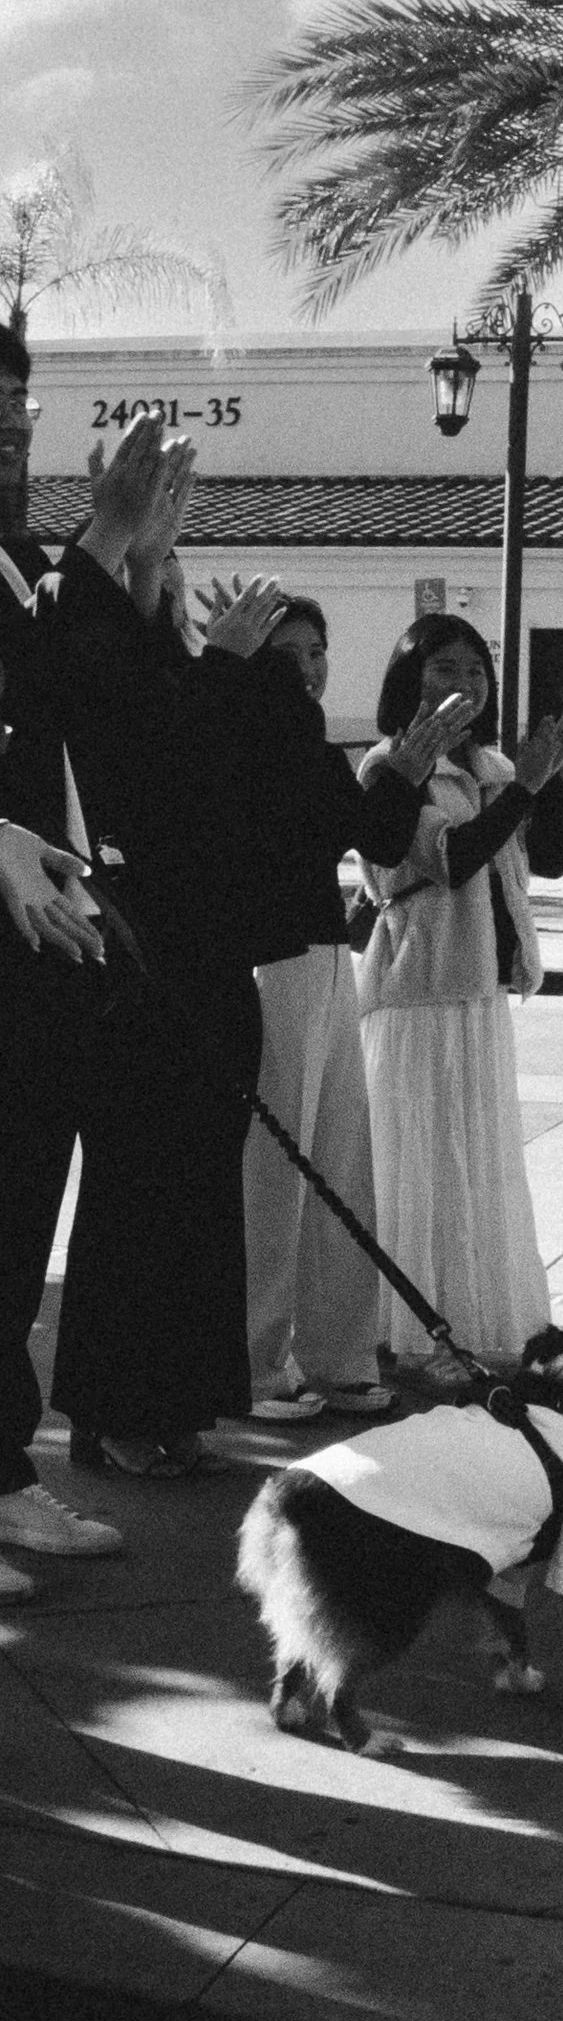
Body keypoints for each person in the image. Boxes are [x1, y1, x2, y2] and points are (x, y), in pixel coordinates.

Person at [46, 437, 296, 1477]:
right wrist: (144, 566)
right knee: (141, 1201)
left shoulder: (175, 677)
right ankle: (117, 1409)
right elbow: (150, 740)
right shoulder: (101, 663)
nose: (176, 594)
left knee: (196, 1205)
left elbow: (190, 731)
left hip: (204, 964)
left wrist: (155, 561)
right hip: (144, 973)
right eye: (161, 582)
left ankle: (175, 1402)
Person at [232, 596, 479, 1421]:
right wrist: (404, 774)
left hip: (330, 957)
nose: (309, 666)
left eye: (318, 649)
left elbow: (368, 833)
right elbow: (356, 834)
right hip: (270, 963)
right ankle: (256, 1365)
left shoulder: (308, 741)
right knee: (275, 1177)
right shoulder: (241, 737)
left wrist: (409, 773)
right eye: (288, 651)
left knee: (343, 1166)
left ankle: (338, 1356)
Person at [355, 620, 563, 1372]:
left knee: (474, 1164)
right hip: (419, 988)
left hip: (482, 987)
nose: (466, 679)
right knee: (420, 1164)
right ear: (408, 679)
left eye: (478, 667)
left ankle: (476, 1320)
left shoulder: (489, 765)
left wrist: (542, 782)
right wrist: (523, 786)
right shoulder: (392, 765)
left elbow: (549, 859)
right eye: (443, 665)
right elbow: (451, 859)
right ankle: (410, 1333)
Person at [0, 335, 126, 1562]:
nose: (8, 432)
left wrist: (129, 556)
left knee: (19, 1219)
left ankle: (3, 1470)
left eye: (15, 410)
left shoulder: (27, 563)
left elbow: (84, 701)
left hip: (46, 948)